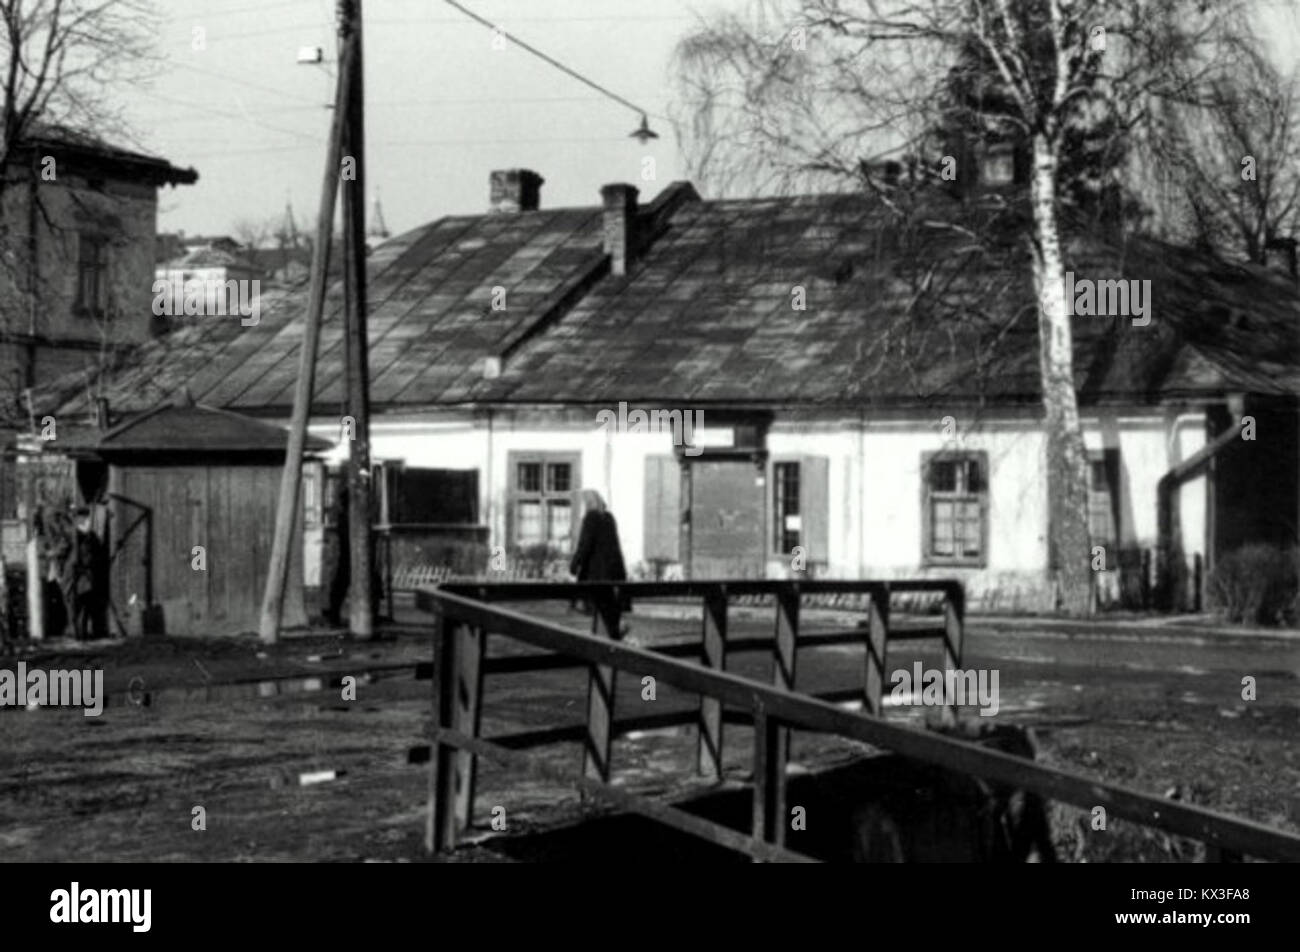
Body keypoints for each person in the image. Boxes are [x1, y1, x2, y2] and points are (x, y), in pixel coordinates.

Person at [569, 489, 631, 618]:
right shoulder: (609, 518)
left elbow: (585, 545)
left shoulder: (591, 517)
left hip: (596, 572)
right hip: (613, 572)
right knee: (608, 611)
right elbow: (615, 546)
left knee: (595, 609)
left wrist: (574, 565)